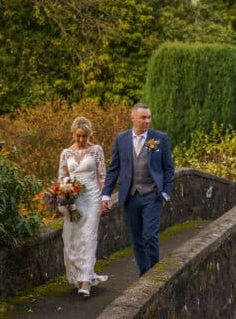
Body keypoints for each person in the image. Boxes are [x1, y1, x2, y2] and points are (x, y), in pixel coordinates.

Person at [101, 103, 175, 276]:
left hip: (152, 194)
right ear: (133, 118)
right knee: (136, 238)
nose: (147, 121)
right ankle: (144, 272)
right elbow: (114, 168)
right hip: (130, 195)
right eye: (143, 117)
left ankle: (154, 273)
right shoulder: (121, 139)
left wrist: (165, 192)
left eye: (149, 117)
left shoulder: (160, 138)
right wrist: (106, 193)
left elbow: (169, 168)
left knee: (150, 235)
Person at [57, 116, 109, 298]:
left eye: (84, 136)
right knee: (73, 239)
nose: (81, 140)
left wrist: (105, 199)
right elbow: (61, 178)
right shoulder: (66, 154)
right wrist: (66, 197)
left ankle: (86, 281)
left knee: (88, 237)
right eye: (78, 136)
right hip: (74, 201)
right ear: (73, 134)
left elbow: (102, 176)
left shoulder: (96, 151)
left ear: (89, 134)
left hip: (92, 198)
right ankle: (79, 275)